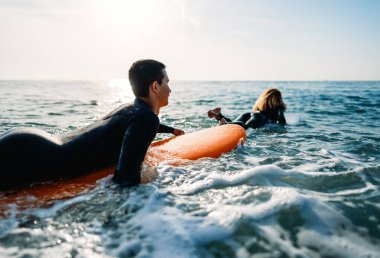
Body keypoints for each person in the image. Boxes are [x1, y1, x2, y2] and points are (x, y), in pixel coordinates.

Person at [0, 59, 184, 189]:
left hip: (30, 143)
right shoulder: (146, 118)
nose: (170, 89)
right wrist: (161, 180)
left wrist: (170, 130)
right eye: (167, 82)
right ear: (155, 86)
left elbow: (135, 125)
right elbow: (125, 179)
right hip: (34, 157)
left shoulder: (130, 109)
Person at [208, 88, 286, 129]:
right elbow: (282, 124)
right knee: (244, 127)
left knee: (235, 122)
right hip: (259, 117)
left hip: (248, 114)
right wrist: (281, 109)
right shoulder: (277, 109)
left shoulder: (262, 107)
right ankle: (225, 123)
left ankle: (219, 116)